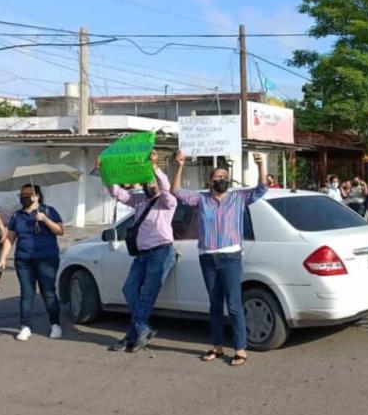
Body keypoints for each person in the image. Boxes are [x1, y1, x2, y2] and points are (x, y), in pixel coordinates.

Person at [173, 151, 269, 367]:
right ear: (210, 181)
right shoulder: (201, 200)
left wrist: (261, 165)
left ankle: (240, 349)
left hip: (230, 257)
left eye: (224, 176)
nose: (221, 180)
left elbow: (262, 189)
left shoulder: (238, 198)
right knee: (214, 305)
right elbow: (177, 192)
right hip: (207, 257)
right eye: (217, 177)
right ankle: (216, 346)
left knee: (233, 304)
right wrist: (179, 165)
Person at [102, 150, 177, 352]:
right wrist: (105, 171)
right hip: (142, 254)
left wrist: (155, 167)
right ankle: (142, 329)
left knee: (147, 296)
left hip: (161, 252)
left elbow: (167, 188)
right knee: (129, 289)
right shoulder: (139, 200)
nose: (150, 185)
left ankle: (131, 336)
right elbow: (117, 193)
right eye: (147, 182)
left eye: (153, 182)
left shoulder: (166, 201)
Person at [2, 184, 65, 341]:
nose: (23, 198)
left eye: (27, 195)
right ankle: (25, 326)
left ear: (36, 196)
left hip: (47, 259)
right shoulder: (17, 216)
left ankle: (55, 325)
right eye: (21, 195)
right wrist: (2, 258)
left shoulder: (49, 211)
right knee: (26, 293)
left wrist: (45, 219)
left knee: (48, 292)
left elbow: (60, 231)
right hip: (24, 260)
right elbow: (10, 238)